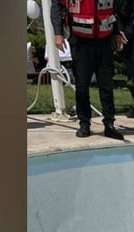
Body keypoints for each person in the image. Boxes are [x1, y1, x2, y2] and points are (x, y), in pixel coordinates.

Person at [51, 0, 126, 140]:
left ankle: (109, 123)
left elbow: (115, 10)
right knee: (82, 86)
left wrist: (117, 32)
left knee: (106, 85)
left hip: (104, 40)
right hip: (80, 41)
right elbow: (56, 6)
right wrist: (58, 33)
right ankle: (84, 123)